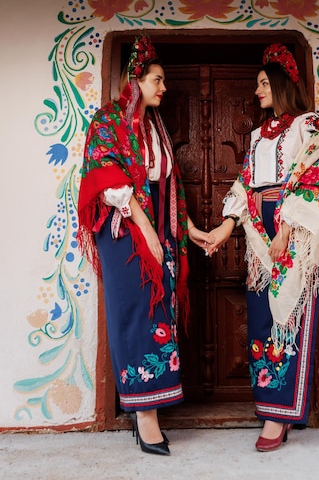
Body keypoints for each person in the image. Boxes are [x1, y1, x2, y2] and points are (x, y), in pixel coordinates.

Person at [77, 34, 210, 456]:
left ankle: (151, 406)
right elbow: (105, 177)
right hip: (124, 234)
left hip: (158, 233)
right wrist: (147, 231)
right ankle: (143, 414)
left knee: (159, 314)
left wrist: (186, 229)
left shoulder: (156, 129)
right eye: (157, 79)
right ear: (135, 80)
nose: (163, 88)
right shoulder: (108, 122)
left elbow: (169, 185)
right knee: (135, 313)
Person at [207, 42, 319, 452]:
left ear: (281, 84)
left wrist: (287, 227)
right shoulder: (258, 136)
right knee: (262, 315)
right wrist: (227, 226)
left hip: (292, 230)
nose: (258, 91)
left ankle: (281, 414)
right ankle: (269, 403)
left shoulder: (308, 124)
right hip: (259, 233)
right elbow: (245, 185)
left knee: (290, 316)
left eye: (264, 83)